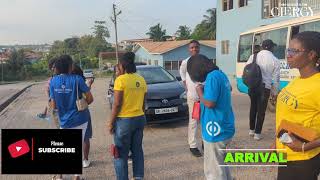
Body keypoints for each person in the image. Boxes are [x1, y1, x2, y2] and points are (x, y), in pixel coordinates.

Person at [274, 31, 320, 180]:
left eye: (294, 51)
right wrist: (275, 142)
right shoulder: (298, 79)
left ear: (311, 55)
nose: (288, 54)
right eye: (288, 50)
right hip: (286, 153)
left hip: (303, 160)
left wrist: (304, 147)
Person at [187, 54, 235, 180]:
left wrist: (200, 92)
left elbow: (209, 103)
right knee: (221, 164)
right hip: (224, 125)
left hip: (215, 130)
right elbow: (227, 89)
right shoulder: (220, 74)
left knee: (213, 170)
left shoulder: (212, 77)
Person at [50, 55, 93, 180]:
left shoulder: (53, 81)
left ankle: (59, 176)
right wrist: (80, 104)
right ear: (70, 66)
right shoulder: (78, 79)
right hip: (80, 119)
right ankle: (76, 177)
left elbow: (54, 105)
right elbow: (90, 98)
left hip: (64, 120)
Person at [108, 52, 147, 180]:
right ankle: (138, 177)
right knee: (137, 151)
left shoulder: (120, 80)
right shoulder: (141, 79)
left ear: (121, 65)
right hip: (140, 118)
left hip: (124, 121)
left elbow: (117, 104)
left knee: (120, 154)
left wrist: (111, 123)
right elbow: (143, 103)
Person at [246, 39, 280, 140]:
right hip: (265, 88)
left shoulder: (254, 56)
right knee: (261, 111)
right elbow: (275, 79)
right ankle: (257, 134)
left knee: (253, 107)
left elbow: (247, 69)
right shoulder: (275, 60)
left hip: (253, 86)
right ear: (271, 47)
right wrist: (274, 92)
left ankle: (251, 130)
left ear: (262, 46)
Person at [179, 40, 202, 157]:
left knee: (205, 121)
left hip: (205, 98)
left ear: (199, 48)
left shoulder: (204, 61)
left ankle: (205, 143)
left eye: (196, 47)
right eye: (192, 47)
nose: (194, 49)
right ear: (189, 49)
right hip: (193, 98)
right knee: (193, 121)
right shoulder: (186, 62)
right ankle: (193, 145)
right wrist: (186, 86)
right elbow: (182, 73)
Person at [71, 63, 94, 168]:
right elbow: (89, 98)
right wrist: (89, 85)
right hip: (82, 111)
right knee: (85, 137)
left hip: (69, 114)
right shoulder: (81, 81)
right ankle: (85, 160)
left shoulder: (66, 81)